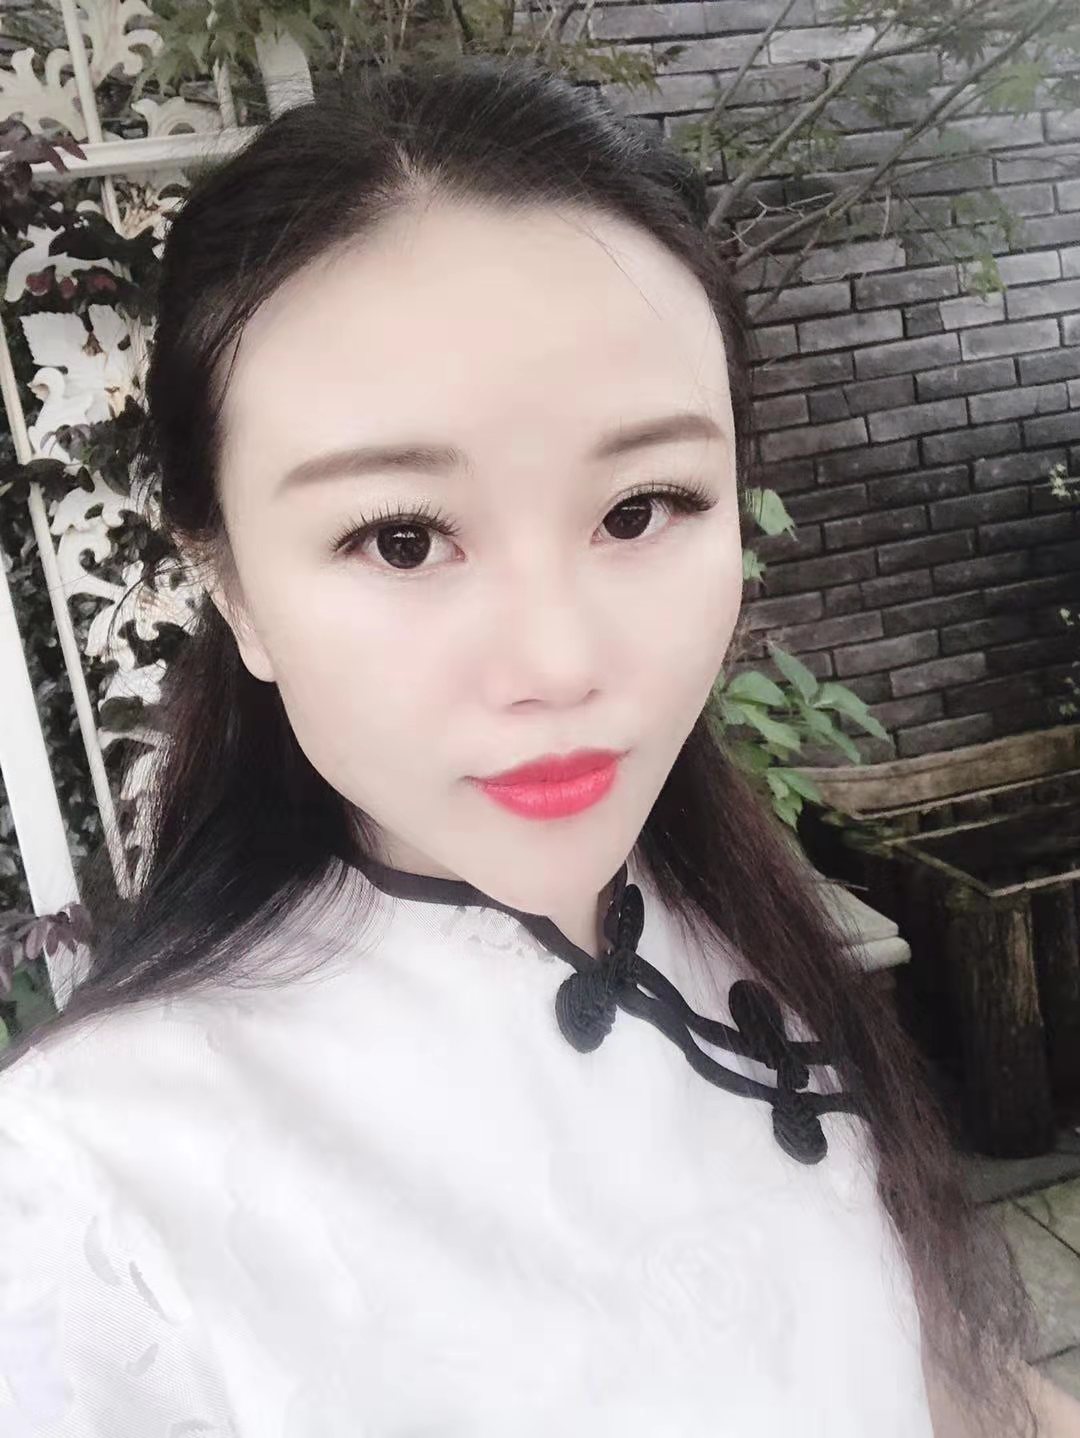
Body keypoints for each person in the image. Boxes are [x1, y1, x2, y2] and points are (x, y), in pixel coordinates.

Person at [0, 53, 1075, 1438]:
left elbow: (933, 1374)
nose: (561, 664)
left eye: (641, 508)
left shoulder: (730, 917)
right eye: (402, 538)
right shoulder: (89, 1206)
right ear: (234, 589)